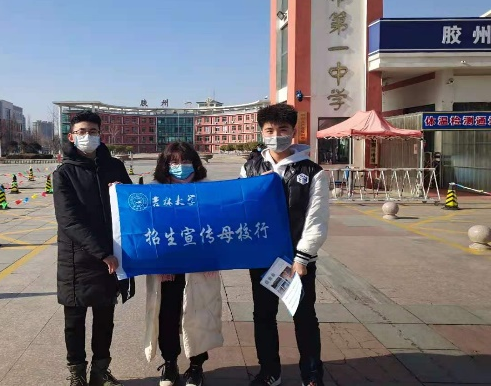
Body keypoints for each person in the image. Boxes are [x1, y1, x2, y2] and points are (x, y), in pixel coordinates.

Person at [239, 103, 329, 386]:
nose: (275, 135)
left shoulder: (312, 171)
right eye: (269, 130)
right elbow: (240, 209)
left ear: (293, 131)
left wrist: (302, 258)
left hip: (296, 261)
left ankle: (311, 375)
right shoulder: (250, 168)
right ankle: (270, 372)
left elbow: (316, 219)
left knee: (304, 317)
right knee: (263, 316)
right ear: (261, 132)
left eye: (282, 129)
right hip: (263, 259)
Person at [53, 110, 134, 386]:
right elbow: (68, 220)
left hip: (111, 256)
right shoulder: (64, 173)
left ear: (101, 134)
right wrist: (101, 253)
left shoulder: (115, 167)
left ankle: (100, 371)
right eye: (82, 132)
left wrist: (122, 192)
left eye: (93, 132)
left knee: (105, 318)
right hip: (77, 259)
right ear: (71, 137)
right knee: (74, 320)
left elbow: (133, 205)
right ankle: (77, 374)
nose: (88, 136)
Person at [144, 142, 223, 386]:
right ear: (165, 165)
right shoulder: (154, 192)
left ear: (195, 163)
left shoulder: (209, 190)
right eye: (174, 162)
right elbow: (143, 228)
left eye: (185, 161)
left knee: (199, 314)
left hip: (200, 266)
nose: (180, 166)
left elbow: (222, 225)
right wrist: (117, 192)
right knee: (167, 315)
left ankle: (196, 366)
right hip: (167, 268)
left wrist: (213, 257)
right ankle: (170, 363)